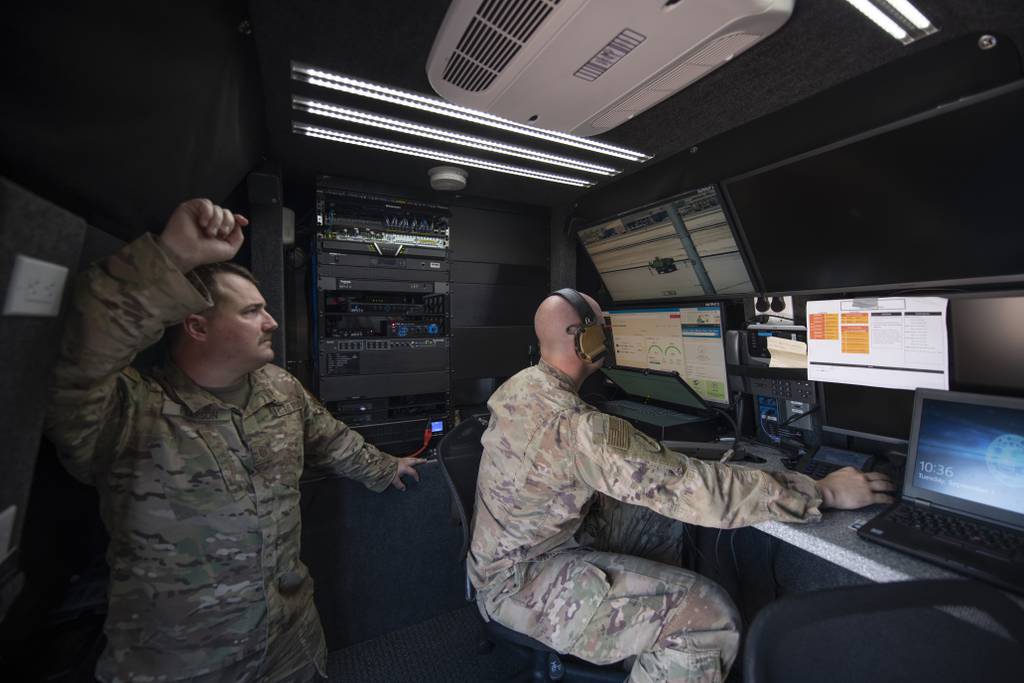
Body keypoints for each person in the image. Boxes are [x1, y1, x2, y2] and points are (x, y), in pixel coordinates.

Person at [45, 199, 425, 683]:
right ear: (197, 325)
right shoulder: (131, 412)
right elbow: (78, 360)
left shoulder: (279, 389)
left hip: (289, 639)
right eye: (252, 311)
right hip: (182, 660)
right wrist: (171, 257)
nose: (271, 322)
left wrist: (385, 468)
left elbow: (332, 440)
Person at [468, 289, 896, 683]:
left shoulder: (523, 386)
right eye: (604, 327)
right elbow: (689, 489)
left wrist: (667, 466)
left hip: (521, 553)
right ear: (586, 338)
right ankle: (675, 642)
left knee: (661, 518)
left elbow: (659, 482)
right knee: (707, 617)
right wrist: (823, 492)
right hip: (521, 584)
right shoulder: (578, 427)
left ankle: (648, 649)